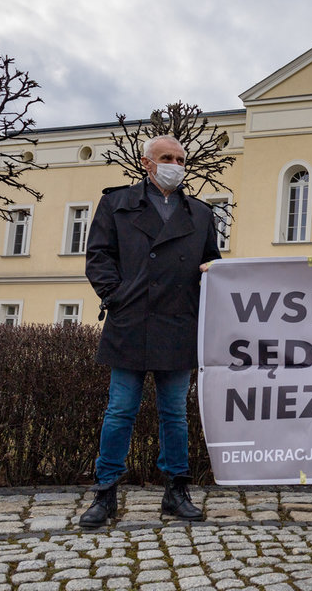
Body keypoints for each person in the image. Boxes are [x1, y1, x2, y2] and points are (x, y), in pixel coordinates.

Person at [80, 135, 221, 528]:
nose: (175, 164)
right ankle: (105, 492)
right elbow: (99, 255)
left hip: (178, 323)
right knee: (119, 411)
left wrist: (212, 274)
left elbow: (211, 261)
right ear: (147, 163)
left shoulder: (200, 213)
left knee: (174, 414)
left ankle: (176, 491)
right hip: (131, 321)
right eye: (167, 158)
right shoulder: (117, 203)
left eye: (180, 159)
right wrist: (116, 296)